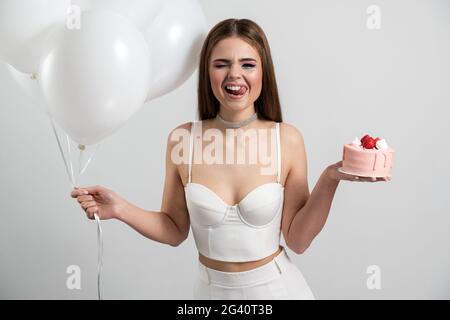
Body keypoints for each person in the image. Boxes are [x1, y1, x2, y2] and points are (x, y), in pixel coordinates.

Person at [70, 18, 390, 300]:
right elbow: (174, 229)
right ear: (207, 71)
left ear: (263, 72)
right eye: (221, 63)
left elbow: (298, 239)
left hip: (277, 291)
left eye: (248, 64)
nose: (234, 74)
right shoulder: (182, 140)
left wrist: (329, 179)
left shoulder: (287, 139)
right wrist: (119, 208)